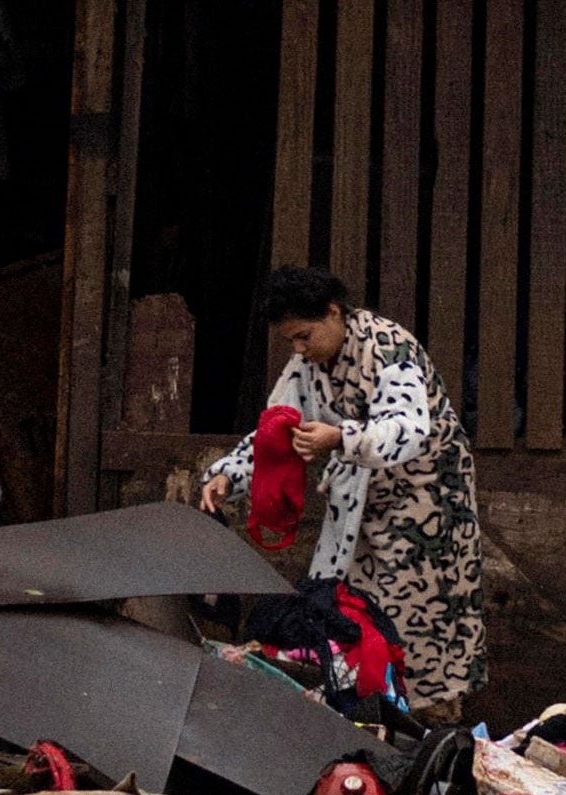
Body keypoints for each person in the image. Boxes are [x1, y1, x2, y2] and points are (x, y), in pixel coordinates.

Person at [200, 266, 486, 716]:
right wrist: (228, 475)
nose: (298, 348)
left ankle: (430, 731)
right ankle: (364, 716)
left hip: (425, 507)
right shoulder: (308, 364)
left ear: (334, 313)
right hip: (359, 507)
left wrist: (341, 439)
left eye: (304, 336)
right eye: (291, 340)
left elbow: (407, 427)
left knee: (418, 626)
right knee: (348, 613)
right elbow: (276, 427)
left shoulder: (390, 348)